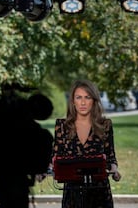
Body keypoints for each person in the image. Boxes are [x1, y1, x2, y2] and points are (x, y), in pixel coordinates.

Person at [51, 79, 121, 208]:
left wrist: (114, 170)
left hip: (99, 193)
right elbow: (55, 156)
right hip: (72, 194)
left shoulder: (105, 125)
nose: (83, 102)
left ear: (94, 101)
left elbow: (111, 157)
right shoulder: (61, 126)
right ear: (73, 101)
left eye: (87, 97)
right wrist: (46, 170)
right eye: (78, 97)